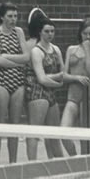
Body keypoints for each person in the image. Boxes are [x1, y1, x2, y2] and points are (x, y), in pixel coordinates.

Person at [0, 2, 29, 165]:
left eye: (15, 16)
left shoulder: (18, 32)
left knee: (15, 124)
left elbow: (27, 57)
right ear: (2, 17)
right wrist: (17, 63)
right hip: (1, 80)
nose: (13, 19)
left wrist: (8, 57)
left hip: (18, 81)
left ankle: (13, 162)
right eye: (10, 16)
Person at [60, 18, 90, 155]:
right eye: (85, 33)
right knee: (63, 130)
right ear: (80, 33)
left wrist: (87, 50)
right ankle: (76, 158)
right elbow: (65, 75)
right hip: (74, 94)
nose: (87, 37)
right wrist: (76, 78)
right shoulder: (71, 49)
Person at [25, 17, 64, 160]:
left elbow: (63, 72)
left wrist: (56, 79)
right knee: (35, 132)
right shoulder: (36, 51)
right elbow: (41, 78)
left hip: (50, 91)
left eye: (52, 31)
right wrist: (58, 81)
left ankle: (58, 164)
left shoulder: (56, 49)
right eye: (47, 31)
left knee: (54, 133)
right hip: (37, 91)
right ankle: (31, 165)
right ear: (40, 33)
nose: (50, 34)